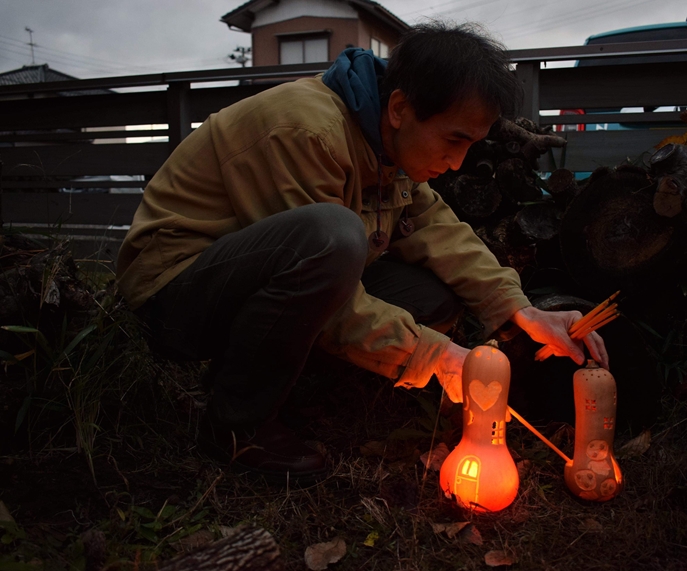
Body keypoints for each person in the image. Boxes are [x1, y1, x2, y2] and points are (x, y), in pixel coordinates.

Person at [116, 21, 607, 484]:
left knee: (427, 296)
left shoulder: (384, 144)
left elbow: (440, 231)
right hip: (174, 295)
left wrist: (519, 309)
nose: (458, 162)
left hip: (253, 285)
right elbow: (321, 267)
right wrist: (435, 357)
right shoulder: (305, 131)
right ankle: (237, 425)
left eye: (471, 145)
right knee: (333, 235)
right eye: (454, 140)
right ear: (399, 108)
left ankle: (297, 388)